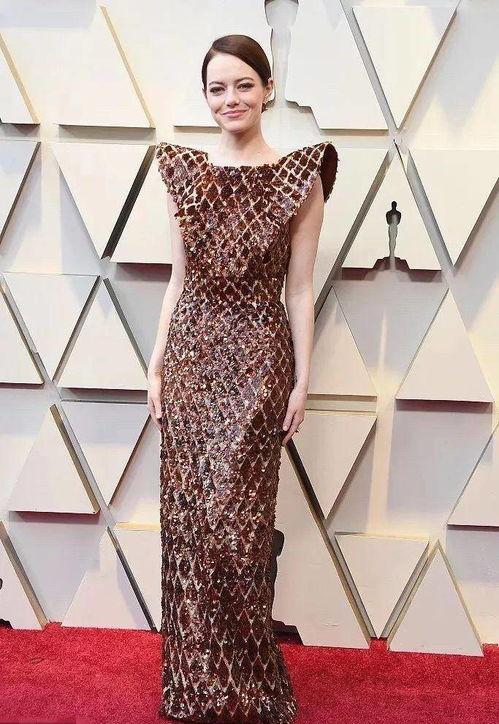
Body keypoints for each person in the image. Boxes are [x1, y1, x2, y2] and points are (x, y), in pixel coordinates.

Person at [147, 33, 338, 724]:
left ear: (267, 89)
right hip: (191, 358)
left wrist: (302, 379)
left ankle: (249, 682)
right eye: (217, 88)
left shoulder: (299, 176)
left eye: (243, 85)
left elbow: (300, 290)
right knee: (190, 525)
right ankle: (194, 683)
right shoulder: (182, 172)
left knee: (241, 527)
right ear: (206, 96)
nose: (230, 99)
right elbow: (178, 280)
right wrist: (156, 362)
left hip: (259, 360)